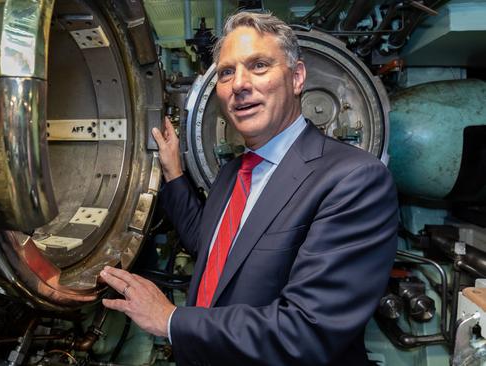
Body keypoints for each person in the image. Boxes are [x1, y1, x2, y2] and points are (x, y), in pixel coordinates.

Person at [99, 11, 398, 365]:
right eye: (227, 72)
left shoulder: (354, 179)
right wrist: (174, 175)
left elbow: (307, 331)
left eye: (258, 66)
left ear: (297, 77)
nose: (239, 84)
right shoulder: (233, 175)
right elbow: (213, 248)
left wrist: (171, 320)